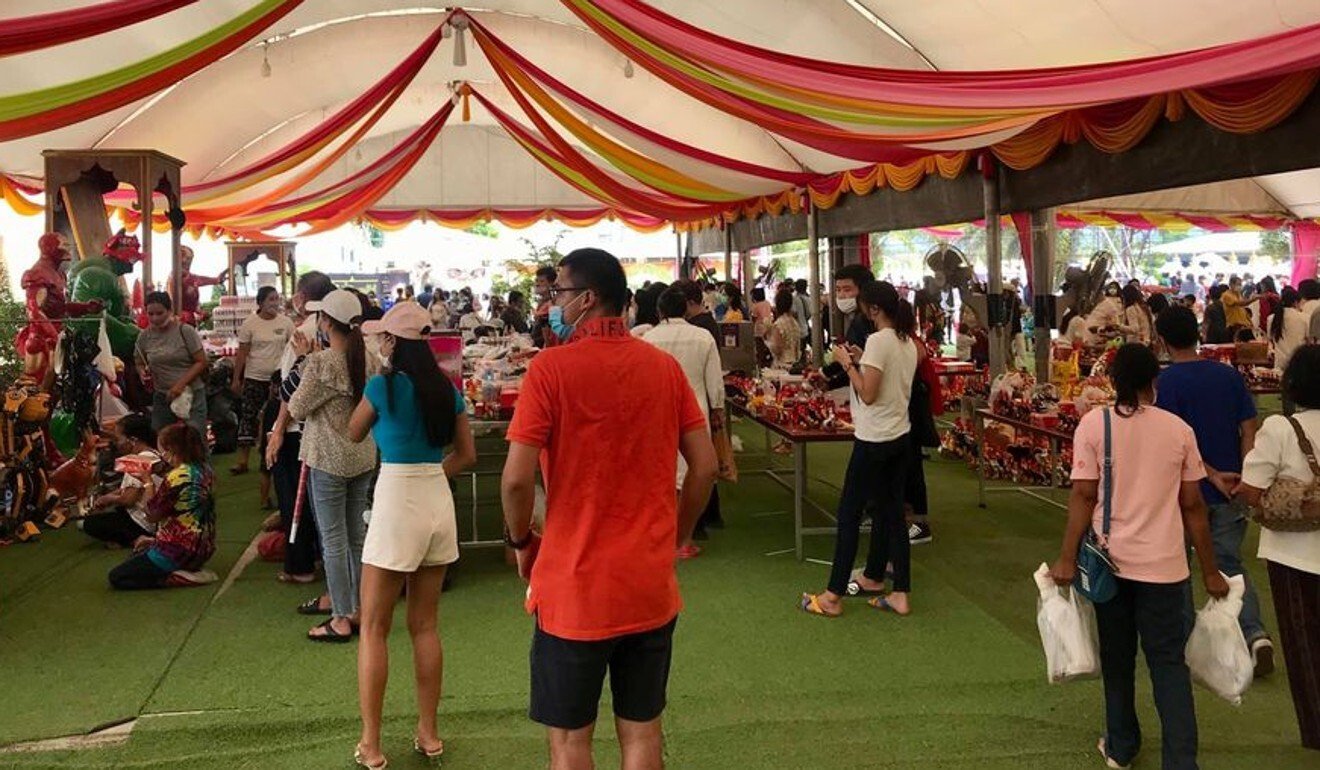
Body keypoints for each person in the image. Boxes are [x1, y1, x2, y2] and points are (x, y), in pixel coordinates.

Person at [500, 248, 717, 770]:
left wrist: (521, 542)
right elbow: (705, 467)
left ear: (587, 298)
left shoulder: (549, 371)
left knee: (570, 742)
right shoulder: (662, 369)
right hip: (646, 581)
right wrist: (673, 538)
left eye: (558, 293)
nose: (553, 303)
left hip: (573, 585)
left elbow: (514, 481)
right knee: (642, 735)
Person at [1050, 343, 1228, 770]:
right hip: (1166, 567)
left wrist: (1066, 558)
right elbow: (1193, 507)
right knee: (1169, 663)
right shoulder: (1179, 430)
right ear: (1155, 381)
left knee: (1117, 659)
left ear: (1112, 381)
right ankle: (1182, 762)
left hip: (1111, 562)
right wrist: (1211, 572)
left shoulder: (1094, 425)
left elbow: (1082, 495)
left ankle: (1122, 745)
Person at [346, 302, 476, 770]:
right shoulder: (447, 389)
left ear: (391, 343)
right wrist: (433, 473)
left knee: (375, 627)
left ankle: (372, 745)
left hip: (397, 497)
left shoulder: (382, 386)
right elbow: (466, 455)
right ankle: (429, 733)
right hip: (436, 498)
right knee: (425, 625)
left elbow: (353, 431)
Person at [1154, 305, 1274, 674]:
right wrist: (1243, 472)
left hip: (1187, 493)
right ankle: (1254, 634)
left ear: (1162, 340)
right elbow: (1249, 426)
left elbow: (1176, 444)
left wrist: (1209, 474)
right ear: (1199, 332)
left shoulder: (1167, 384)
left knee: (1181, 568)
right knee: (1228, 563)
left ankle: (1191, 645)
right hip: (1232, 489)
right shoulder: (1228, 376)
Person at [801, 281, 918, 617]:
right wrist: (861, 360)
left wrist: (846, 363)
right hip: (899, 436)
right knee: (893, 515)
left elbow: (868, 393)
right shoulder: (905, 341)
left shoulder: (880, 340)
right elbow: (884, 378)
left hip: (874, 440)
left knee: (849, 515)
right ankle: (900, 593)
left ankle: (833, 595)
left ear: (873, 309)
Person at [1236, 344, 1320, 751]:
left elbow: (1251, 490)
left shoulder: (1281, 429)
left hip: (1293, 553)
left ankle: (1317, 730)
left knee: (1304, 644)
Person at [288, 289, 378, 642]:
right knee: (356, 537)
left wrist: (301, 361)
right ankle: (357, 609)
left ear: (326, 322)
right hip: (363, 454)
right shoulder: (368, 358)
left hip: (328, 457)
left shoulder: (323, 363)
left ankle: (340, 616)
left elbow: (296, 407)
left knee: (334, 540)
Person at [644, 286, 725, 558]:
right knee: (696, 471)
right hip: (696, 408)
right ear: (686, 308)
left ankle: (662, 534)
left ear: (659, 311)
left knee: (663, 472)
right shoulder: (703, 337)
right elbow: (714, 379)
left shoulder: (649, 338)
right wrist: (718, 409)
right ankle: (685, 538)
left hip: (658, 410)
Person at [266, 271, 333, 585]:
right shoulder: (341, 332)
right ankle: (319, 558)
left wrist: (279, 429)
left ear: (302, 298)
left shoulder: (305, 333)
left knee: (296, 497)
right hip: (329, 428)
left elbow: (291, 387)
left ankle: (301, 565)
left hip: (299, 427)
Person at [108, 423, 218, 590]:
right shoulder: (205, 470)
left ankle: (177, 577)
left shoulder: (176, 477)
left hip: (179, 550)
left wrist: (147, 482)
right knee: (138, 555)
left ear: (170, 450)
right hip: (203, 545)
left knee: (117, 577)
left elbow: (152, 515)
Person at [228, 286, 293, 475]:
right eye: (270, 299)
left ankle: (278, 455)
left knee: (280, 418)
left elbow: (293, 348)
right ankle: (243, 461)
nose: (275, 303)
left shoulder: (286, 322)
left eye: (277, 299)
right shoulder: (250, 323)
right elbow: (242, 352)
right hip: (254, 377)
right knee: (248, 418)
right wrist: (236, 379)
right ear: (261, 302)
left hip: (280, 379)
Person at [81, 415, 162, 549]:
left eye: (118, 439)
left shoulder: (139, 460)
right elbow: (130, 490)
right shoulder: (154, 454)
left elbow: (129, 499)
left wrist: (108, 499)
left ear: (133, 440)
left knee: (89, 524)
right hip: (150, 518)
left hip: (142, 522)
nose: (116, 443)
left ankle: (136, 539)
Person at [135, 291, 208, 436]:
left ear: (170, 311)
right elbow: (139, 360)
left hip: (190, 393)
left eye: (159, 313)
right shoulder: (144, 336)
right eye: (150, 314)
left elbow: (201, 362)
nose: (155, 318)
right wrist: (142, 372)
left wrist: (180, 385)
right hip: (162, 395)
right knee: (160, 436)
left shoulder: (185, 331)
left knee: (194, 436)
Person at [767, 289, 802, 370]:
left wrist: (767, 339)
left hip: (781, 365)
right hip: (794, 363)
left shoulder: (779, 324)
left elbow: (777, 349)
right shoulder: (794, 322)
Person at [531, 265, 559, 348]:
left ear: (551, 284)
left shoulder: (554, 303)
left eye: (542, 281)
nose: (537, 284)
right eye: (536, 280)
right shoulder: (541, 302)